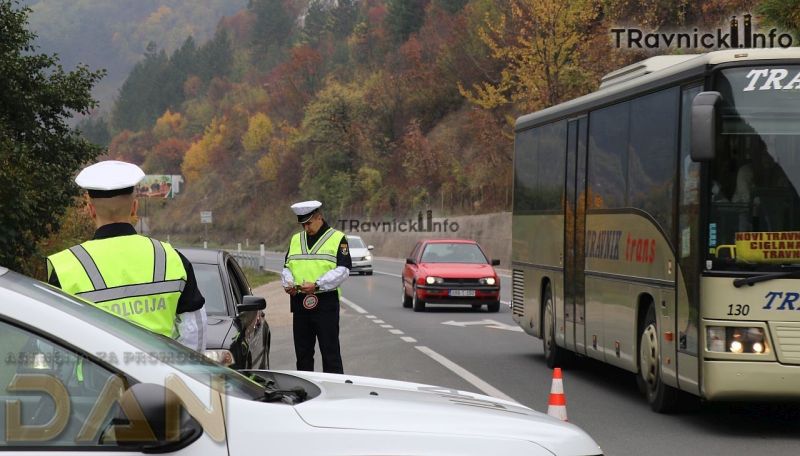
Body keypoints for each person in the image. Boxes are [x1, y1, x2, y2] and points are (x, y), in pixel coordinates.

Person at [47, 160, 207, 351]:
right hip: (160, 369)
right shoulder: (170, 258)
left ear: (91, 211)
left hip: (94, 371)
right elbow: (195, 331)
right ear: (134, 208)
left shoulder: (65, 267)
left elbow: (52, 340)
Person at [281, 200, 351, 374]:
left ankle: (334, 388)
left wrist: (318, 285)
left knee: (330, 354)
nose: (306, 228)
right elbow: (287, 267)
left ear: (319, 217)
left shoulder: (337, 238)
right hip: (300, 304)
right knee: (303, 355)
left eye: (309, 223)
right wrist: (288, 282)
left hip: (326, 304)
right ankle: (305, 388)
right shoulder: (296, 239)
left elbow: (343, 270)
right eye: (303, 224)